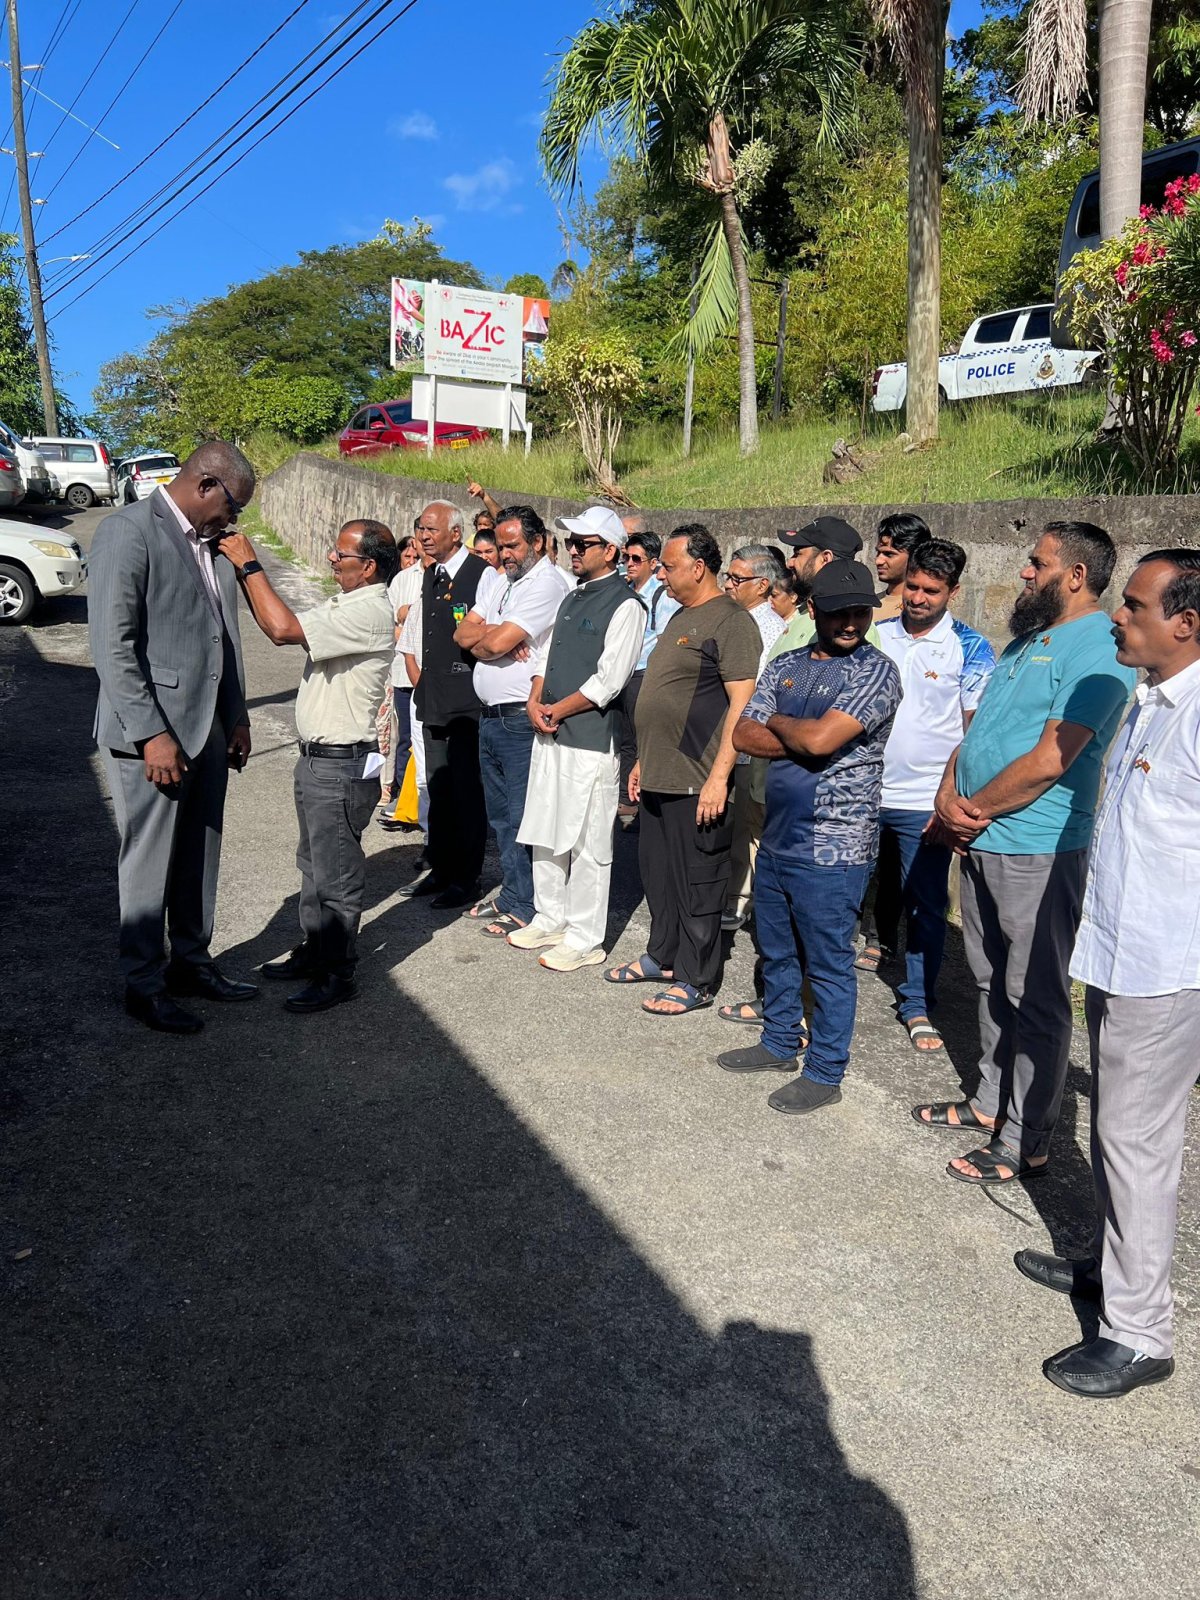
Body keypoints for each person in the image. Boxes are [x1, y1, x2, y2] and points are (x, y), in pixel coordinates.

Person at [1017, 550, 1200, 1399]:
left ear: (1186, 623)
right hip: (1120, 953)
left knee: (1136, 1142)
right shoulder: (1149, 701)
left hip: (1168, 966)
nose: (1117, 617)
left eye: (1133, 606)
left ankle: (1138, 1333)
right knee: (1118, 1137)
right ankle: (1114, 1268)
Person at [915, 521, 1136, 1185]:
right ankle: (989, 1103)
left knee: (1033, 994)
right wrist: (947, 793)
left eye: (1037, 564)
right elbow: (977, 731)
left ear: (1076, 575)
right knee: (988, 981)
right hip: (983, 836)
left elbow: (1050, 759)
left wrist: (971, 810)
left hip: (1036, 845)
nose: (1024, 574)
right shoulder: (1027, 641)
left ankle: (1025, 1139)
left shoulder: (1098, 648)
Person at [717, 560, 902, 1112]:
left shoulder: (877, 672)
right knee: (775, 949)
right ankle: (778, 1041)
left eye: (860, 611)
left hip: (835, 845)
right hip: (778, 835)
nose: (851, 621)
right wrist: (794, 732)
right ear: (813, 608)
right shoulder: (788, 662)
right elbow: (744, 732)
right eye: (839, 610)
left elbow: (822, 742)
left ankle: (825, 1070)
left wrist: (785, 726)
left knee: (826, 961)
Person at [88, 440, 258, 1035]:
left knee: (199, 854)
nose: (233, 521)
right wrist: (151, 734)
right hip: (154, 734)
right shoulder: (128, 531)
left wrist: (235, 716)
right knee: (149, 859)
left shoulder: (212, 548)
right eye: (233, 507)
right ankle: (143, 982)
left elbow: (223, 638)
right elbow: (112, 646)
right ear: (207, 484)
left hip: (208, 726)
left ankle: (191, 961)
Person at [218, 518, 398, 1012]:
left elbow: (280, 629)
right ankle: (315, 951)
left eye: (342, 556)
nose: (331, 560)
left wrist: (249, 563)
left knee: (336, 877)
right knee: (313, 867)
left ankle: (338, 974)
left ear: (369, 568)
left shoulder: (369, 612)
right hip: (318, 761)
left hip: (339, 766)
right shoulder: (348, 601)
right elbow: (278, 622)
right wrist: (244, 576)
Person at [611, 525, 760, 1014]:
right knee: (658, 876)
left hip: (699, 778)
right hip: (659, 773)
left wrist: (720, 777)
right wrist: (641, 765)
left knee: (699, 881)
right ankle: (662, 955)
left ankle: (696, 978)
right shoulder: (679, 613)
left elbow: (742, 703)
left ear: (699, 567)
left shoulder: (731, 622)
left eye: (669, 566)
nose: (661, 573)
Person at [506, 506, 644, 971]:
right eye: (571, 543)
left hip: (588, 739)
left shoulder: (626, 605)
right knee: (545, 827)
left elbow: (610, 680)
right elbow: (544, 657)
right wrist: (534, 697)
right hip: (550, 732)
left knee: (589, 842)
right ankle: (550, 915)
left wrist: (557, 708)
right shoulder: (572, 595)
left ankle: (585, 937)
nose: (574, 551)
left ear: (611, 550)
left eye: (583, 544)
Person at [872, 540, 996, 1050]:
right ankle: (820, 986)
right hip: (862, 792)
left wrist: (954, 798)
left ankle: (917, 1001)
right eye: (913, 587)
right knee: (837, 894)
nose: (918, 598)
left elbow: (974, 734)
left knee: (924, 904)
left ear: (954, 592)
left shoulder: (972, 648)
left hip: (924, 800)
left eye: (931, 591)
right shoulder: (875, 636)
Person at [452, 505, 566, 937]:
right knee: (499, 815)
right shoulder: (499, 580)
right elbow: (462, 634)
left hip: (520, 718)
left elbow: (487, 640)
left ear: (537, 542)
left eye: (513, 545)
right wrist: (496, 637)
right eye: (500, 546)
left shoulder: (547, 584)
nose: (504, 554)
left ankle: (526, 904)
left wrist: (493, 637)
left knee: (522, 816)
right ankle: (513, 894)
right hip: (491, 716)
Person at [400, 501, 490, 909]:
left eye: (432, 529)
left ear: (456, 533)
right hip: (434, 696)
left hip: (467, 702)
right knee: (438, 787)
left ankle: (465, 877)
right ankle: (440, 865)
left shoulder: (481, 574)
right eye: (421, 528)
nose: (424, 535)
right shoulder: (430, 574)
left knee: (465, 792)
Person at [721, 544, 788, 932]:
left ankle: (741, 900)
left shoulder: (766, 629)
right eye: (728, 576)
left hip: (749, 745)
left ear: (763, 585)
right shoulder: (737, 619)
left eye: (737, 578)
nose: (729, 584)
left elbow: (752, 696)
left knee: (748, 828)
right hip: (734, 742)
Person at [617, 529, 680, 820]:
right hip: (626, 675)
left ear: (653, 563)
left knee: (641, 741)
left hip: (645, 675)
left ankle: (637, 801)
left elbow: (666, 639)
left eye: (636, 559)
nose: (629, 563)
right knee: (626, 739)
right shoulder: (627, 591)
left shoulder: (660, 596)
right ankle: (627, 798)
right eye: (626, 557)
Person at [377, 533, 421, 817]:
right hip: (404, 674)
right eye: (410, 555)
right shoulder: (403, 580)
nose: (415, 559)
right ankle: (402, 801)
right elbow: (386, 620)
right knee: (405, 738)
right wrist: (402, 615)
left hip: (434, 674)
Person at [874, 512, 931, 621]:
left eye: (889, 554)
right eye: (878, 553)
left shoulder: (922, 610)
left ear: (915, 555)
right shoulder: (865, 609)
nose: (878, 561)